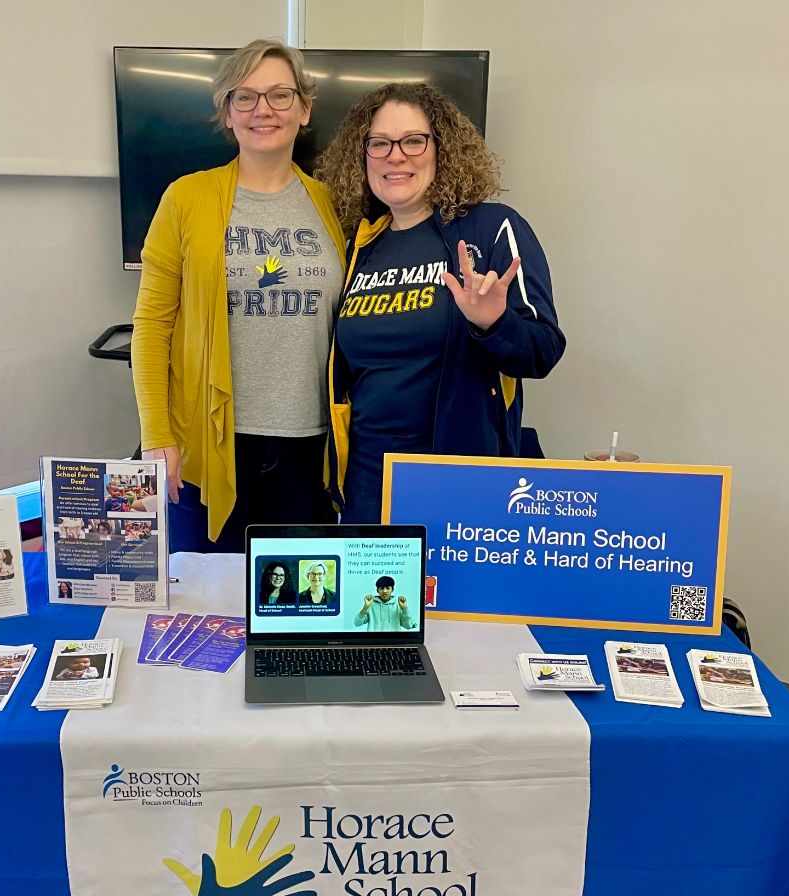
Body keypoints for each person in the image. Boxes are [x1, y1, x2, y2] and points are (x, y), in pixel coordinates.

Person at [132, 38, 346, 553]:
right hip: (208, 441)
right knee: (206, 611)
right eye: (244, 96)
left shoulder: (336, 204)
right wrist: (157, 436)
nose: (262, 110)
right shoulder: (186, 197)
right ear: (227, 113)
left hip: (308, 447)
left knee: (297, 611)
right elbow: (152, 324)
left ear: (305, 107)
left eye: (278, 94)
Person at [316, 83, 566, 523]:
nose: (396, 156)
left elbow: (542, 350)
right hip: (367, 487)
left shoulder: (492, 229)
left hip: (459, 486)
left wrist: (492, 324)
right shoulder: (361, 244)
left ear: (443, 149)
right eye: (379, 143)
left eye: (414, 140)